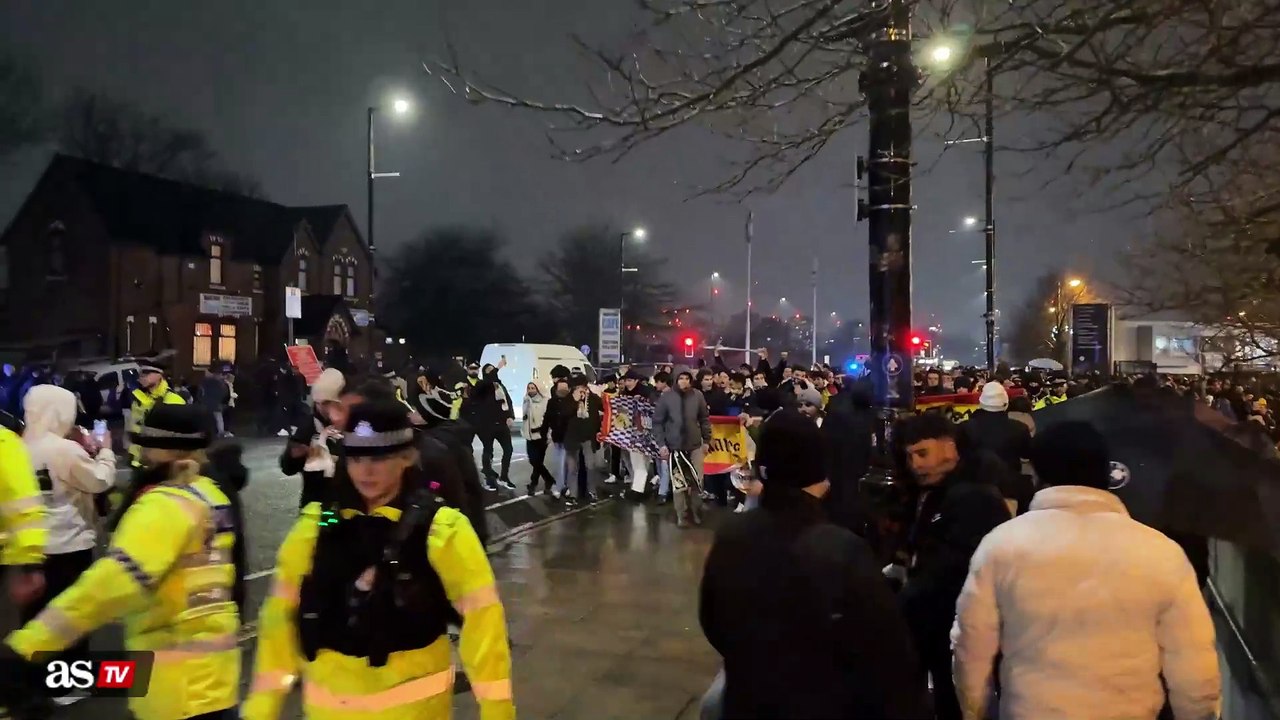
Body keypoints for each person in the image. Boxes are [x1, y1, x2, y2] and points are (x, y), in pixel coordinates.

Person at [243, 400, 515, 720]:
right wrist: (262, 706)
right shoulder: (315, 528)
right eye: (356, 457)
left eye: (380, 457)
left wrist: (497, 710)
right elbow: (279, 621)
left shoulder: (442, 531)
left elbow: (484, 626)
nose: (366, 470)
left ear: (406, 458)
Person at [951, 421, 1221, 720]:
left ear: (1039, 472)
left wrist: (974, 709)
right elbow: (1191, 657)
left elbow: (972, 644)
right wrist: (1198, 713)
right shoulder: (1160, 551)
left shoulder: (1002, 545)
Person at [2, 404, 241, 720]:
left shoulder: (164, 506)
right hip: (216, 679)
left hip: (175, 687)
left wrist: (24, 648)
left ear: (158, 449)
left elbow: (107, 587)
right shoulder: (209, 494)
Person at [699, 410, 931, 719]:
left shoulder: (732, 535)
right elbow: (886, 655)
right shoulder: (841, 550)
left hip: (747, 700)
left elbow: (713, 620)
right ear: (819, 474)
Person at [892, 413, 1013, 720]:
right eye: (910, 457)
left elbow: (953, 568)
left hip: (960, 628)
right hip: (934, 626)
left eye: (922, 453)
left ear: (949, 447)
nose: (916, 464)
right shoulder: (932, 493)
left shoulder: (973, 498)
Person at [19, 385, 115, 690]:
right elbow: (99, 480)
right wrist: (105, 450)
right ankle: (66, 685)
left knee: (36, 618)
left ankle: (35, 681)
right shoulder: (63, 449)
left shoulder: (15, 446)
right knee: (71, 616)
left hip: (30, 545)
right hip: (70, 543)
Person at [280, 367, 347, 510]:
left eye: (328, 403)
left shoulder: (352, 425)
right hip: (315, 505)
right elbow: (288, 468)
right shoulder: (308, 427)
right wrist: (293, 456)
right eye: (319, 403)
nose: (324, 408)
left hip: (346, 504)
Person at [654, 371, 711, 526]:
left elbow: (704, 419)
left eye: (687, 378)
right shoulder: (666, 397)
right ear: (676, 380)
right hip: (675, 447)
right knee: (679, 484)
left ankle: (696, 512)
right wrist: (661, 445)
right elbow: (657, 422)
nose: (684, 381)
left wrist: (706, 440)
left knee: (697, 481)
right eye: (681, 378)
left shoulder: (698, 395)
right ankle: (682, 515)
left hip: (695, 445)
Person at [126, 362, 186, 467]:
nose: (142, 377)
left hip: (162, 463)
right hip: (138, 463)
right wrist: (132, 454)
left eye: (146, 373)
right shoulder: (139, 399)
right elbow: (134, 428)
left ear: (159, 375)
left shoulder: (173, 400)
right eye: (140, 373)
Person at [521, 381, 555, 496]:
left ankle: (533, 483)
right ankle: (548, 479)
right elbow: (524, 416)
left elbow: (549, 419)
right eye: (529, 388)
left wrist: (549, 434)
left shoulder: (545, 401)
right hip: (529, 435)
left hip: (541, 435)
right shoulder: (526, 400)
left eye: (533, 388)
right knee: (534, 460)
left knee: (537, 461)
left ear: (538, 389)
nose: (530, 390)